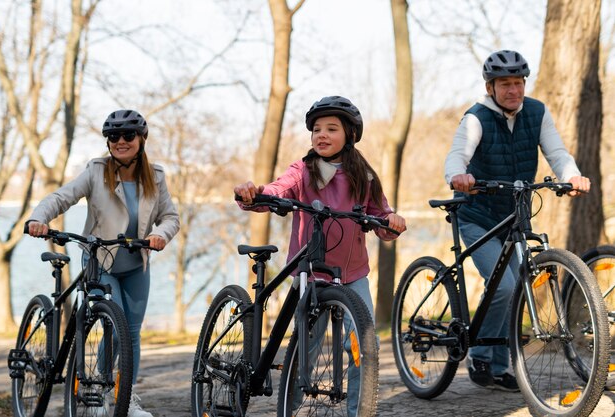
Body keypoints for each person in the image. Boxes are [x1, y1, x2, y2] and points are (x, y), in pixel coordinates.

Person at [235, 95, 406, 416]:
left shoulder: (364, 176)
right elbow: (277, 190)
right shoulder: (303, 170)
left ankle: (360, 412)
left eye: (331, 129)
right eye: (316, 130)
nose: (322, 135)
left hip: (352, 277)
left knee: (363, 346)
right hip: (310, 275)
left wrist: (392, 223)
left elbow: (382, 218)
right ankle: (289, 409)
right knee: (306, 352)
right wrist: (254, 194)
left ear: (350, 136)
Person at [444, 50, 591, 392]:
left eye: (518, 83)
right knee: (506, 285)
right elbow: (457, 154)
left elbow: (556, 152)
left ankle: (501, 366)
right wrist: (457, 175)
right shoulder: (476, 117)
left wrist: (571, 176)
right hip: (477, 214)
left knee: (515, 287)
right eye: (505, 84)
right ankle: (480, 355)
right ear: (490, 87)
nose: (513, 90)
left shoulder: (537, 112)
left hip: (515, 216)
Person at [27, 109, 180, 417]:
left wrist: (160, 234)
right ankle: (98, 394)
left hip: (137, 263)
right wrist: (38, 217)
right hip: (100, 260)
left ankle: (126, 397)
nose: (120, 141)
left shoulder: (156, 177)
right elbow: (62, 197)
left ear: (141, 139)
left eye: (128, 135)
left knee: (131, 333)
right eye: (113, 136)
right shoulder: (96, 171)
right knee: (115, 322)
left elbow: (170, 217)